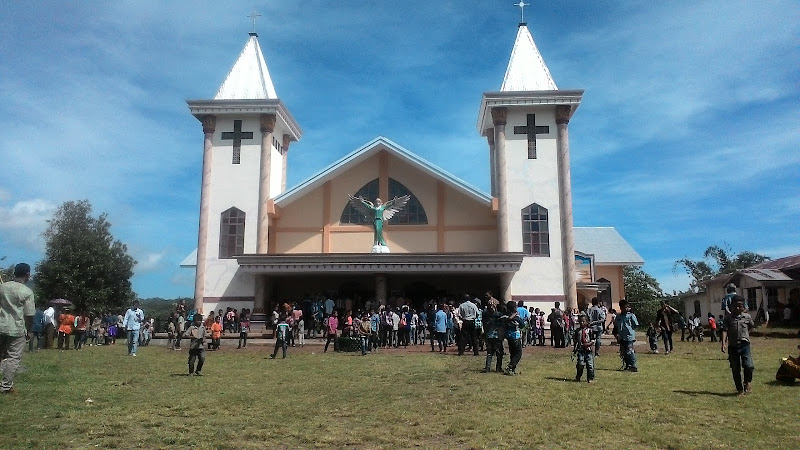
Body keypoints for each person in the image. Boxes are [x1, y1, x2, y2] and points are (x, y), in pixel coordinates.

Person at [0, 263, 36, 394]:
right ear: (27, 274)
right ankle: (5, 386)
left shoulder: (2, 287)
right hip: (17, 328)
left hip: (1, 325)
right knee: (13, 358)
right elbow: (29, 314)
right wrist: (29, 330)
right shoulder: (26, 292)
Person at [722, 296, 755, 395]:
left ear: (743, 307)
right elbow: (724, 330)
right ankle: (739, 389)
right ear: (731, 306)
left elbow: (751, 326)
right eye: (735, 306)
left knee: (749, 366)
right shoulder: (727, 318)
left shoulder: (747, 317)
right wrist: (723, 343)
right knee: (735, 369)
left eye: (739, 306)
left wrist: (746, 334)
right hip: (733, 346)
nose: (737, 308)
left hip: (745, 345)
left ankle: (747, 382)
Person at [614, 300, 639, 372]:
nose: (627, 309)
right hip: (621, 336)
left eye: (628, 307)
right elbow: (616, 326)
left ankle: (633, 365)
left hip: (629, 336)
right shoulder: (618, 317)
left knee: (630, 351)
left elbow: (635, 325)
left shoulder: (631, 315)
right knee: (624, 352)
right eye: (625, 307)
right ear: (621, 307)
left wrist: (630, 330)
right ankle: (627, 365)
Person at [502, 301, 525, 376]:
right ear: (514, 308)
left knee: (512, 353)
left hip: (508, 336)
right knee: (518, 354)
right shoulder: (516, 317)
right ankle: (510, 366)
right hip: (515, 336)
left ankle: (512, 370)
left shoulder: (505, 316)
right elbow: (522, 325)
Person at [482, 302, 504, 373]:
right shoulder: (502, 317)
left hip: (490, 336)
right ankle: (498, 368)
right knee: (499, 353)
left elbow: (487, 326)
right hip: (498, 336)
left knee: (489, 353)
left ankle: (487, 368)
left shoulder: (491, 318)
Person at [574, 314, 595, 383]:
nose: (582, 323)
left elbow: (593, 340)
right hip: (580, 350)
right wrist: (575, 349)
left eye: (583, 321)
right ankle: (578, 376)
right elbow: (575, 340)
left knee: (590, 365)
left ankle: (590, 378)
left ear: (587, 322)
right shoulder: (577, 331)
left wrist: (588, 344)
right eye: (580, 321)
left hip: (588, 350)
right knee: (580, 364)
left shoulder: (590, 330)